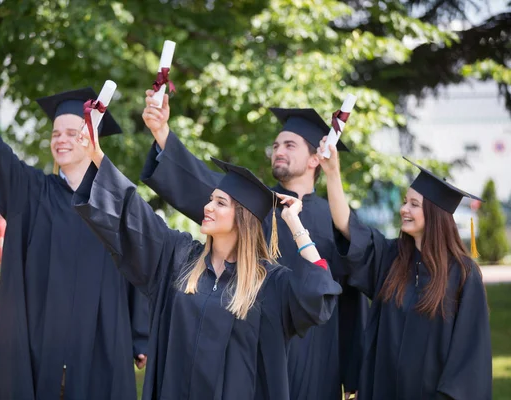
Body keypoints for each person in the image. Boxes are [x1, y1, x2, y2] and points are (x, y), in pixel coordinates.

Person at [0, 59, 148, 400]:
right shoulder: (30, 193)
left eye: (71, 133)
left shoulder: (116, 202)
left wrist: (141, 336)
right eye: (55, 133)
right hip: (36, 356)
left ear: (91, 139)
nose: (60, 140)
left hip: (99, 354)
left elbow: (139, 269)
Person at [71, 126, 343, 399]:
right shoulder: (179, 258)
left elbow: (318, 296)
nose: (208, 207)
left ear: (243, 219)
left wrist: (295, 223)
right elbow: (133, 214)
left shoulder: (271, 284)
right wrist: (97, 156)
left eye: (220, 202)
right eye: (210, 200)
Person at [139, 91, 367, 399]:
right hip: (256, 346)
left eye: (290, 145)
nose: (278, 151)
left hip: (316, 357)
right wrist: (162, 132)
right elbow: (199, 181)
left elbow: (350, 296)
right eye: (275, 145)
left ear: (316, 157)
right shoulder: (252, 205)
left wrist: (352, 371)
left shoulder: (333, 218)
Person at [318, 138, 493, 399]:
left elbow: (470, 353)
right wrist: (332, 173)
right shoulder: (392, 258)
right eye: (404, 201)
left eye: (413, 204)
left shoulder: (462, 275)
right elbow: (349, 228)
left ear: (434, 214)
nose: (403, 210)